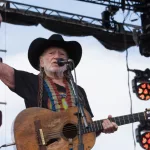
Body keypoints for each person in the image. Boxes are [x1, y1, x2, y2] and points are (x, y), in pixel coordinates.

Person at [0, 34, 118, 141]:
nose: (57, 57)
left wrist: (103, 127)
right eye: (51, 53)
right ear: (41, 62)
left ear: (67, 63)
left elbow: (86, 128)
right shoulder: (32, 82)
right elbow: (3, 71)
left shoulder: (78, 91)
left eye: (61, 54)